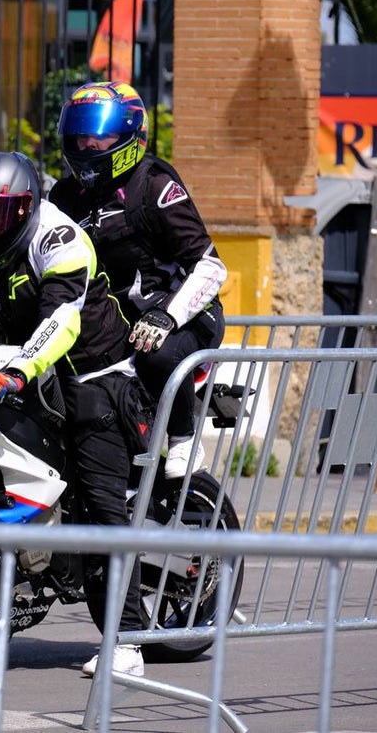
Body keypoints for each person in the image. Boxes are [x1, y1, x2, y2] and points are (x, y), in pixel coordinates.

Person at [0, 151, 148, 678]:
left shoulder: (57, 238)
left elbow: (62, 318)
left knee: (101, 500)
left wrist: (17, 371)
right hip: (12, 368)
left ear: (24, 210)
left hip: (93, 372)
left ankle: (128, 640)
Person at [48, 81, 227, 479]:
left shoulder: (155, 187)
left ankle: (183, 439)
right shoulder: (64, 196)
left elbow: (211, 267)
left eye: (100, 136)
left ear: (131, 134)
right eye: (79, 135)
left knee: (157, 352)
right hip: (111, 321)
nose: (87, 146)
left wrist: (168, 316)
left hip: (183, 315)